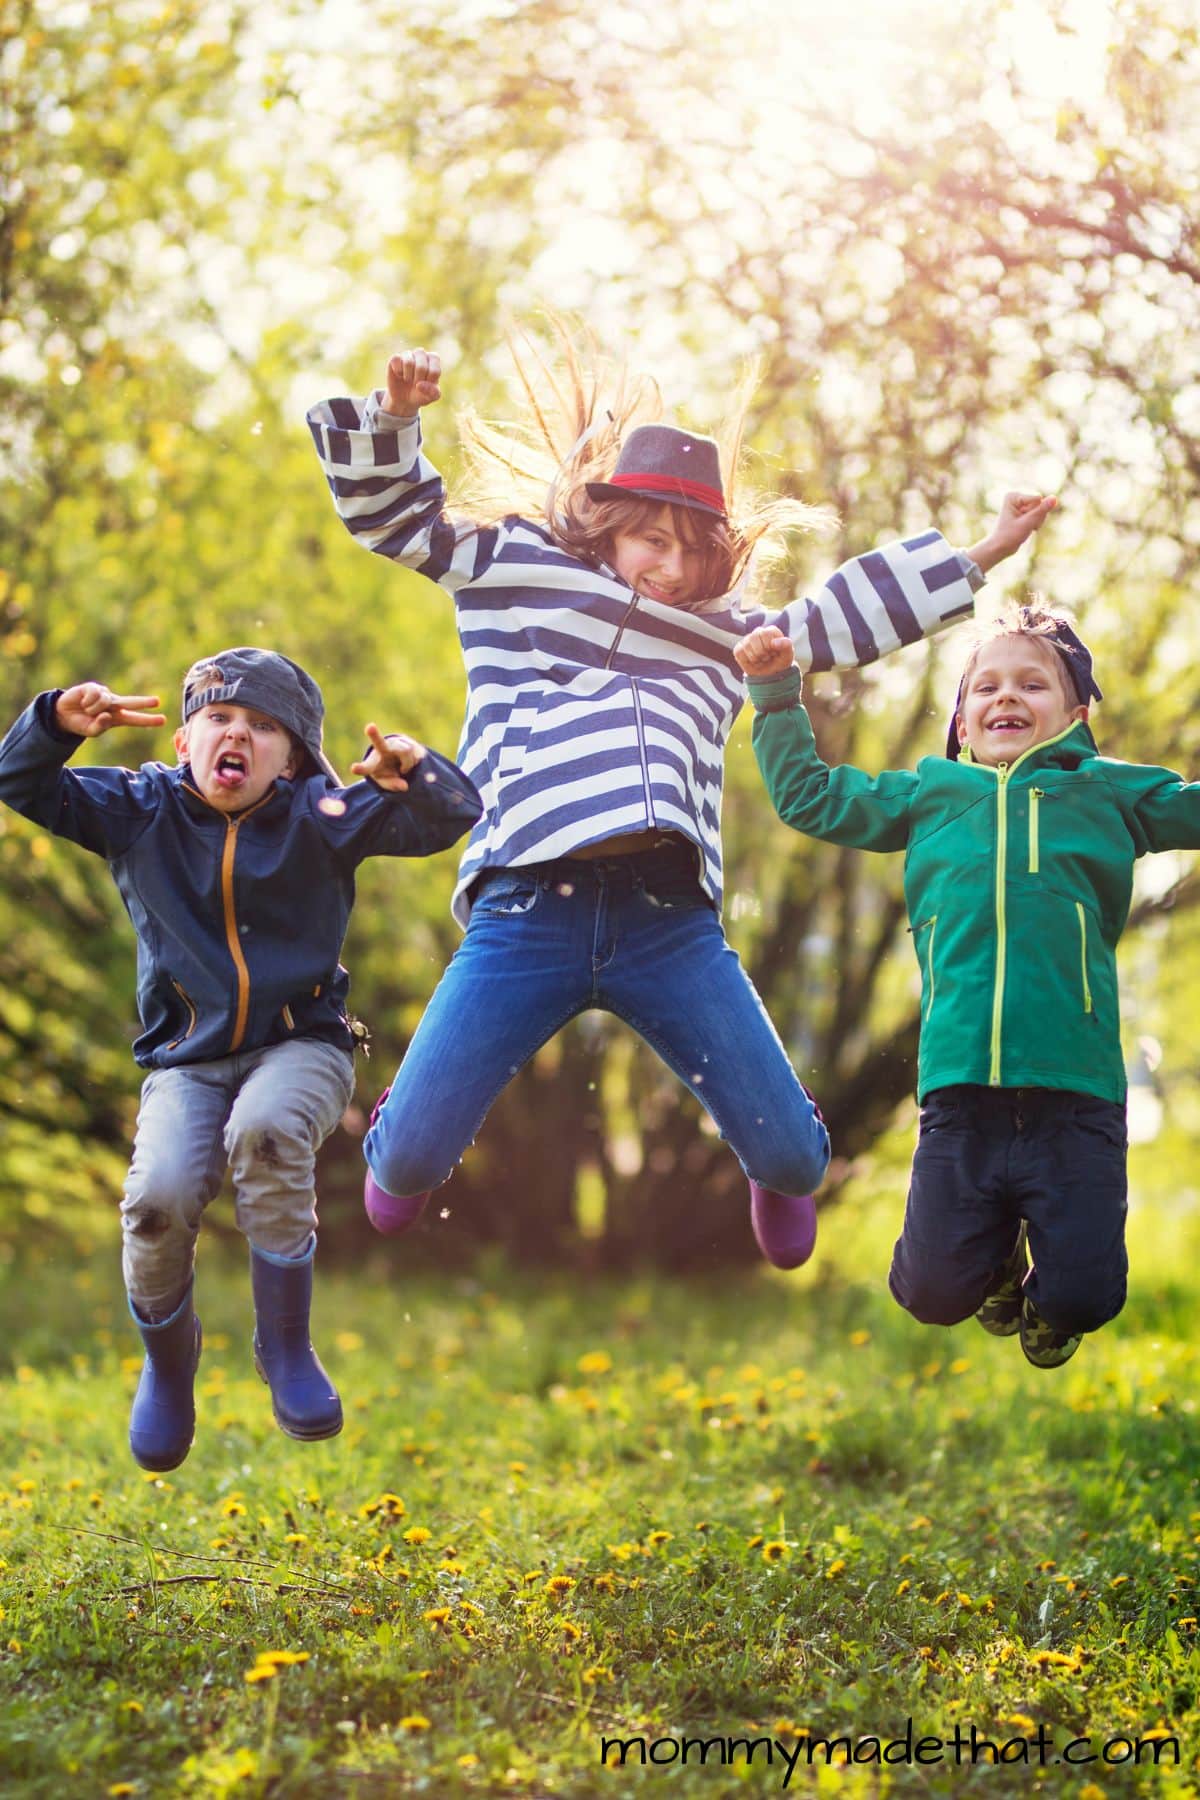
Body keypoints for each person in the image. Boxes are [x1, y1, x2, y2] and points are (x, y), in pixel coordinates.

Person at [306, 333, 1054, 1269]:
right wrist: (396, 419)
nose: (668, 566)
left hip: (669, 922)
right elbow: (396, 522)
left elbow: (841, 619)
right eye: (649, 540)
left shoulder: (731, 635)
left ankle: (774, 1157)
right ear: (609, 526)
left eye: (692, 550)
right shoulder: (515, 573)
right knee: (410, 1162)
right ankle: (399, 1139)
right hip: (525, 909)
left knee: (792, 1155)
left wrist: (984, 548)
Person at [0, 649, 480, 1468]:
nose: (239, 735)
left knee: (264, 1131)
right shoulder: (140, 808)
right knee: (157, 1198)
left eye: (264, 728)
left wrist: (414, 764)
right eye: (220, 718)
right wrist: (51, 725)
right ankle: (168, 1363)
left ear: (291, 760)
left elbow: (449, 815)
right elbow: (20, 783)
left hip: (303, 1046)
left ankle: (285, 1347)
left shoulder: (322, 814)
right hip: (184, 1061)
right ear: (184, 741)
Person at [737, 600, 1200, 1365]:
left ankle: (1054, 1305)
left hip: (1075, 1091)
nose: (1006, 697)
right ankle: (993, 1265)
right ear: (960, 718)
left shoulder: (1107, 792)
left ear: (1076, 712)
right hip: (961, 1092)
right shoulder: (928, 796)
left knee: (1088, 1293)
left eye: (1031, 685)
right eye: (984, 688)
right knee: (930, 1292)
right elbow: (809, 797)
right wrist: (777, 694)